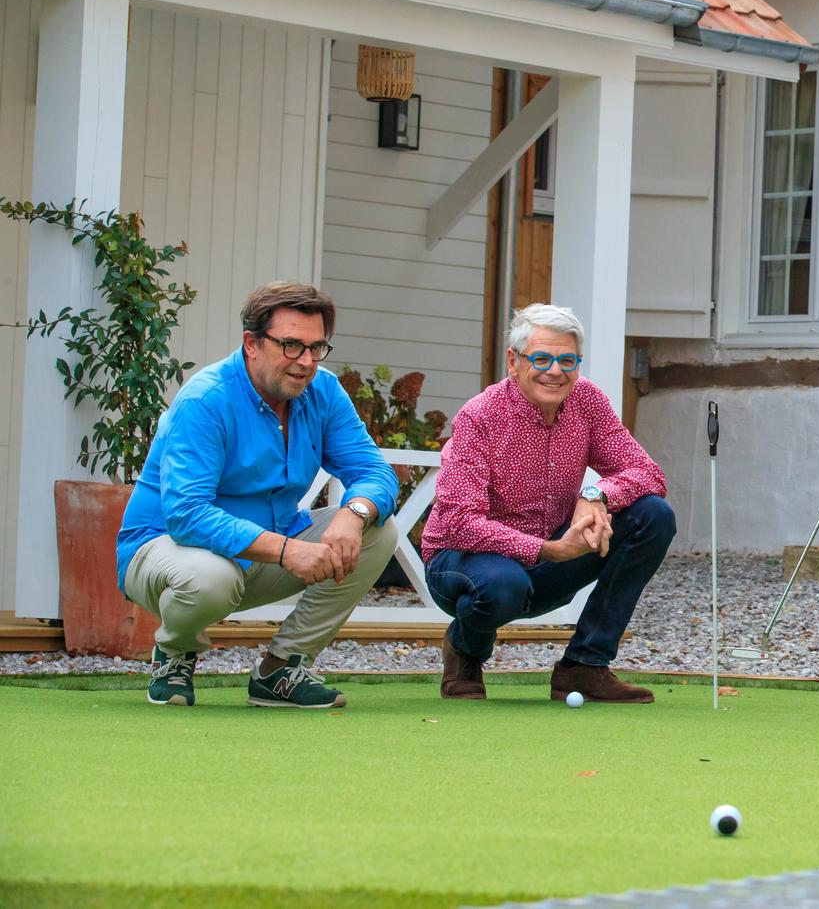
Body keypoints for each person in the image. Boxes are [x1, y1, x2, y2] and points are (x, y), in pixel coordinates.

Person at [119, 282, 400, 709]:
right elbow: (186, 514)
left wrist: (355, 512)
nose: (305, 362)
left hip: (263, 552)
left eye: (316, 347)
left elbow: (373, 470)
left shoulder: (323, 391)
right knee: (209, 577)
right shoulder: (207, 398)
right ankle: (175, 654)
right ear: (252, 343)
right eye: (290, 345)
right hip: (165, 553)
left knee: (380, 530)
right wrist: (286, 550)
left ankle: (281, 669)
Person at [422, 303, 674, 703]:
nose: (555, 371)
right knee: (504, 584)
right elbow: (459, 522)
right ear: (514, 361)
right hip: (463, 562)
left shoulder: (588, 401)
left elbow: (648, 473)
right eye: (541, 358)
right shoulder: (480, 416)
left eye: (567, 360)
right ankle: (465, 650)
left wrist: (595, 496)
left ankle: (584, 666)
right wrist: (546, 550)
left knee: (653, 516)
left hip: (553, 557)